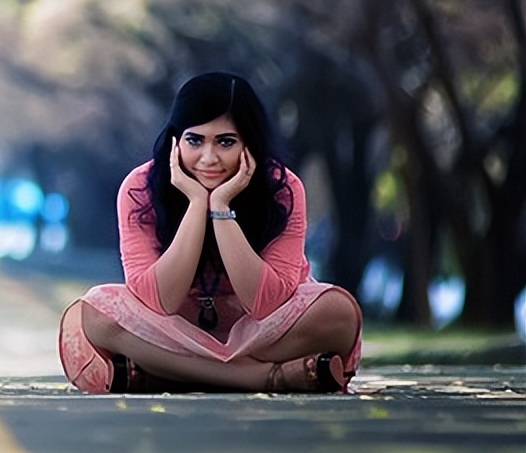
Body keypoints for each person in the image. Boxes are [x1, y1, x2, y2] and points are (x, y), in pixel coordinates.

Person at [59, 72, 362, 393]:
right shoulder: (140, 189)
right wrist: (194, 203)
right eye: (195, 140)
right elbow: (158, 301)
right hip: (173, 331)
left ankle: (163, 376)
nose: (209, 158)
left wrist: (220, 207)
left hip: (263, 334)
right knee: (94, 315)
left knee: (338, 312)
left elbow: (267, 305)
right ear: (176, 140)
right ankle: (259, 377)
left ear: (250, 143)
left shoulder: (282, 189)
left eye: (226, 142)